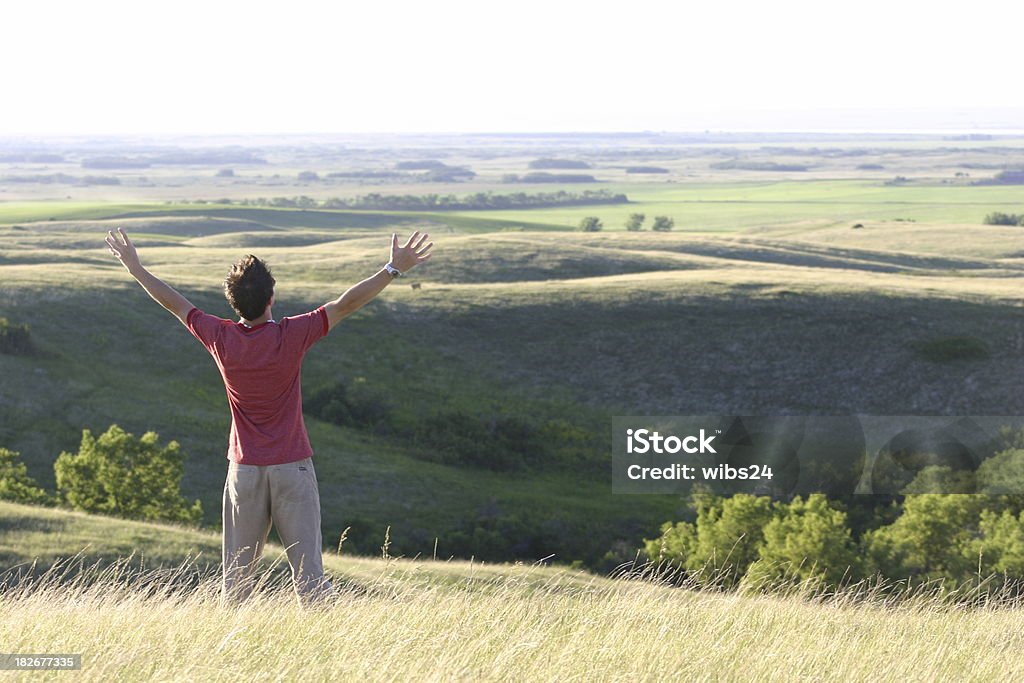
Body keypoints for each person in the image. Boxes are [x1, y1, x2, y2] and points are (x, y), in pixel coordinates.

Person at [104, 227, 433, 602]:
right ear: (271, 298)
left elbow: (175, 304)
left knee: (236, 588)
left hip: (243, 472)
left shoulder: (220, 338)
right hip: (292, 467)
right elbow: (345, 304)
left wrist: (135, 268)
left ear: (233, 303)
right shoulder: (291, 335)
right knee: (310, 583)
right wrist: (393, 269)